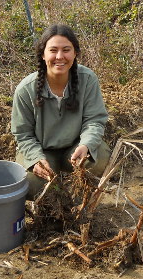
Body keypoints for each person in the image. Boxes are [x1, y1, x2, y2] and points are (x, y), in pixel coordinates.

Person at [11, 24, 111, 200]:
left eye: (66, 50)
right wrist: (36, 159)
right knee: (30, 183)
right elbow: (23, 134)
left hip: (75, 148)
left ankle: (79, 199)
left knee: (98, 157)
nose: (60, 56)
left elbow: (95, 120)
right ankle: (57, 203)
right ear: (43, 55)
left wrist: (86, 145)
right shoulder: (25, 90)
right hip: (41, 151)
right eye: (53, 50)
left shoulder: (87, 80)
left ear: (75, 53)